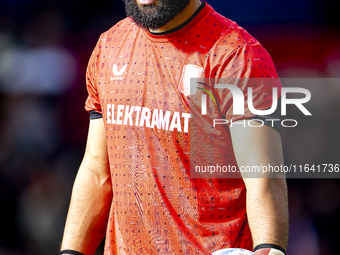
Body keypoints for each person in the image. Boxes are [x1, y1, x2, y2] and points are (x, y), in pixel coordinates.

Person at [60, 0, 288, 254]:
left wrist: (270, 249)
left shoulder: (237, 54)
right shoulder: (109, 46)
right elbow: (96, 172)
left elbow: (264, 178)